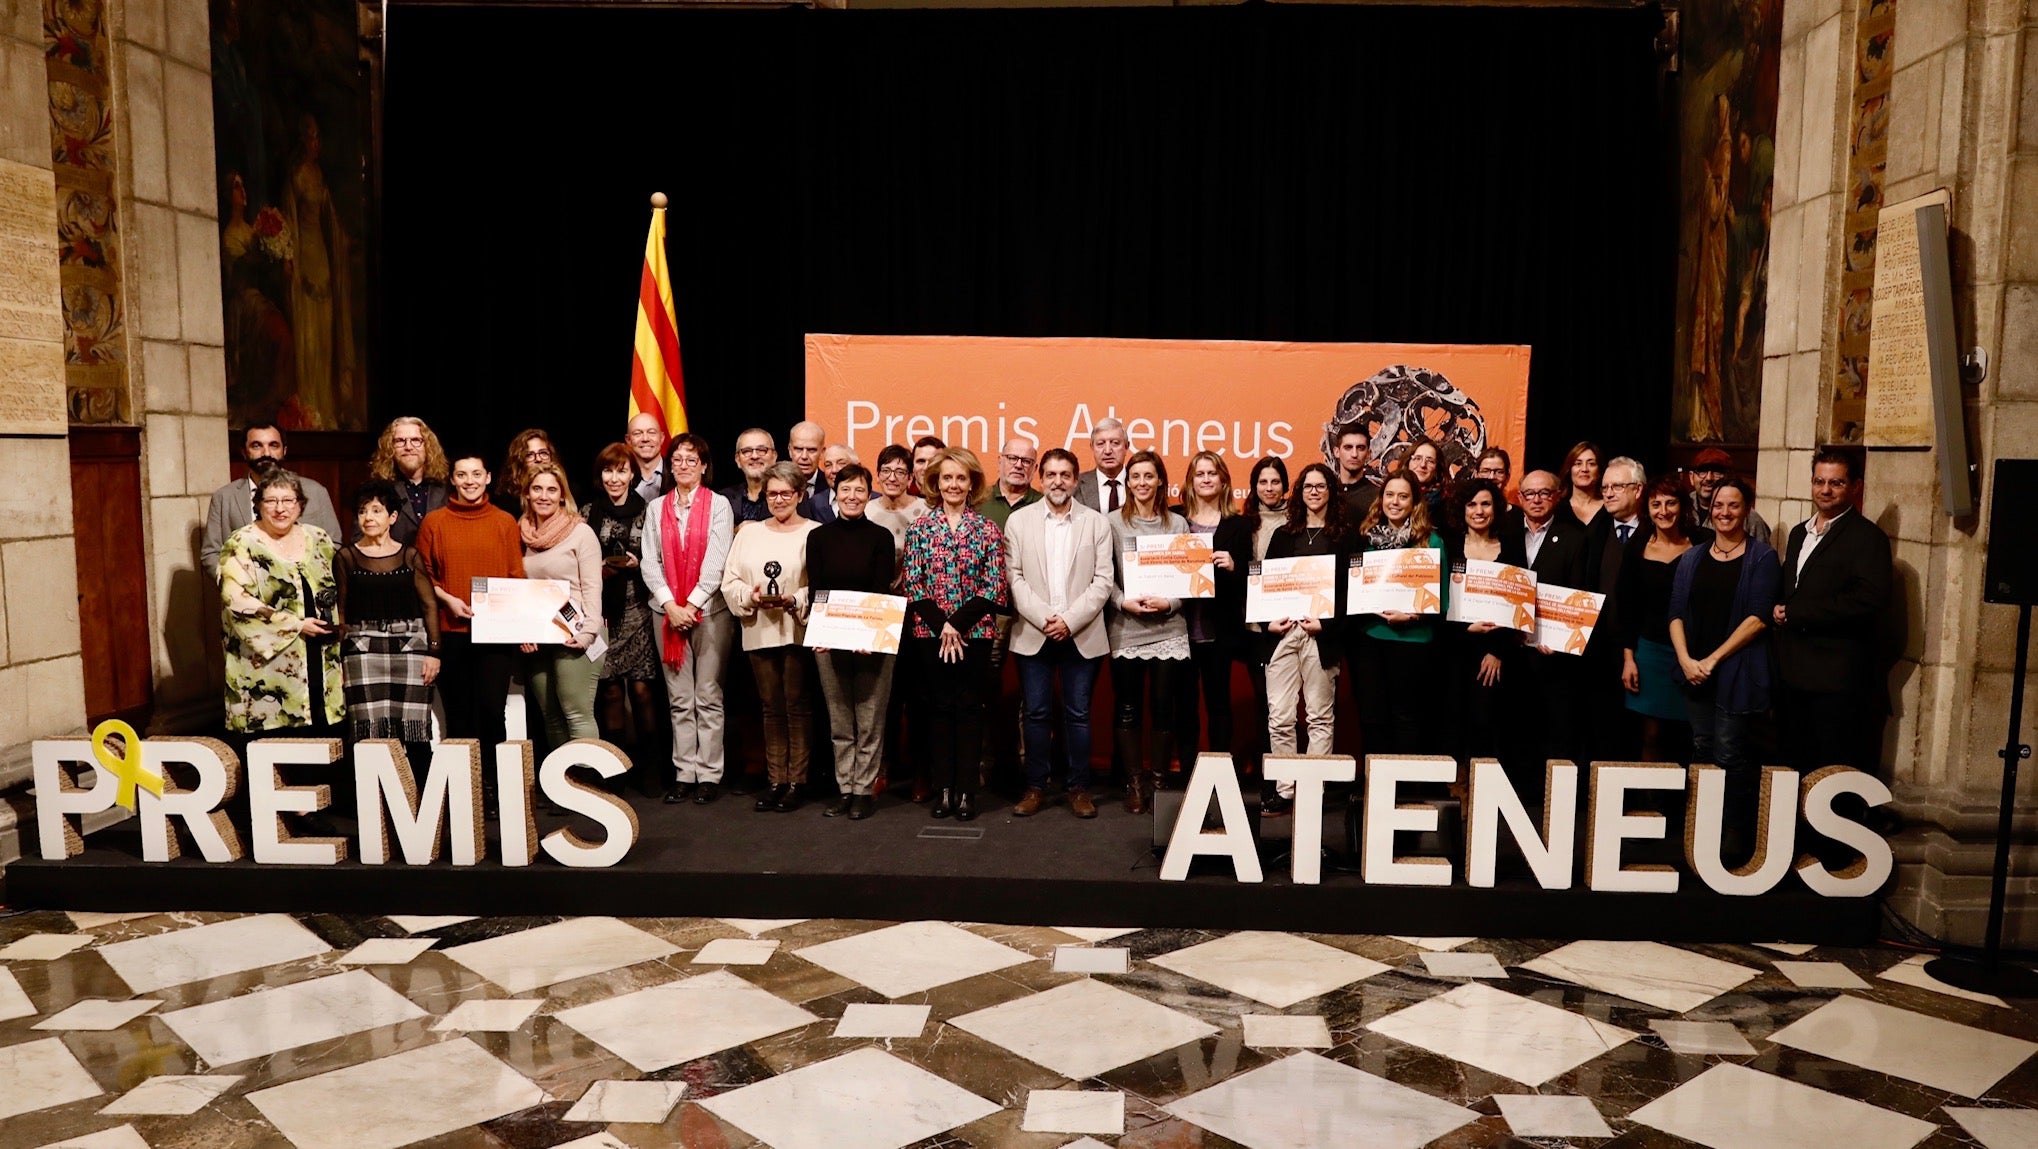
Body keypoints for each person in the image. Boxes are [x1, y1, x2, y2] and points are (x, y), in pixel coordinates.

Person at [1006, 448, 1116, 818]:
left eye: (1065, 475)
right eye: (1050, 474)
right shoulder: (1018, 522)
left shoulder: (1096, 523)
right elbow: (1014, 578)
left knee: (1078, 715)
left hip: (1081, 634)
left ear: (1075, 480)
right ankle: (1036, 787)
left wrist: (1069, 620)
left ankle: (1079, 788)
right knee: (1036, 714)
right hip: (1033, 633)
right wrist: (1044, 618)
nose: (1057, 481)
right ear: (1041, 479)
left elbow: (1103, 581)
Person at [901, 447, 1008, 820]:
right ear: (935, 482)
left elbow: (993, 586)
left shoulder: (987, 530)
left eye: (961, 477)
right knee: (939, 709)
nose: (953, 484)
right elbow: (914, 585)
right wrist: (941, 625)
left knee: (969, 709)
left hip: (974, 635)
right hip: (929, 634)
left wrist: (955, 624)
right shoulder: (920, 529)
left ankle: (967, 793)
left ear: (972, 483)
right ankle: (943, 790)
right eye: (947, 477)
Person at [1773, 448, 1891, 776]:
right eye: (1819, 481)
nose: (1825, 490)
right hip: (1792, 674)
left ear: (1855, 487)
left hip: (1835, 680)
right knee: (1791, 762)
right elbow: (1791, 588)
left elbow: (1868, 600)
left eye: (1836, 483)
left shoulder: (1868, 538)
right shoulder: (1799, 533)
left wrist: (1797, 613)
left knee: (1829, 770)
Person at [1669, 477, 1779, 817]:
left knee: (1730, 752)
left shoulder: (1763, 558)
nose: (1724, 512)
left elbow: (1759, 618)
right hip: (1694, 670)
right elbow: (1675, 613)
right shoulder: (1692, 558)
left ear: (1747, 509)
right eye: (1718, 505)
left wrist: (1713, 660)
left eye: (1733, 505)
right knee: (1702, 747)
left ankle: (1734, 829)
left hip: (1735, 670)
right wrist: (1687, 660)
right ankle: (1700, 826)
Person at [641, 432, 735, 804]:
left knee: (708, 696)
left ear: (704, 466)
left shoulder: (719, 506)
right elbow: (650, 561)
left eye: (691, 460)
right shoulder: (655, 508)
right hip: (666, 613)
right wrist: (670, 605)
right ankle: (685, 773)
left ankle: (709, 775)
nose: (683, 466)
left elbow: (716, 562)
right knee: (680, 699)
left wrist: (691, 605)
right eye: (677, 460)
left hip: (709, 611)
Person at [723, 462, 821, 813]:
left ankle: (798, 781)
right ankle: (776, 779)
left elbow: (822, 586)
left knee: (796, 706)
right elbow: (730, 581)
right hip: (759, 628)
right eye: (772, 494)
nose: (778, 500)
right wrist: (747, 597)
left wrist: (796, 599)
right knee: (770, 708)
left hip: (797, 628)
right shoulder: (748, 533)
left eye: (785, 493)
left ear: (799, 495)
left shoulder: (815, 533)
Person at [416, 453, 524, 756]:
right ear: (452, 480)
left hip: (495, 636)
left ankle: (493, 787)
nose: (470, 481)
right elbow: (423, 577)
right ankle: (465, 792)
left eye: (476, 474)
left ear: (488, 478)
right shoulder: (434, 523)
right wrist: (447, 599)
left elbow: (515, 576)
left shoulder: (504, 522)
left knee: (492, 713)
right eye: (462, 475)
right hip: (452, 632)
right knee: (459, 717)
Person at [219, 470, 343, 734]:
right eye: (271, 501)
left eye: (288, 501)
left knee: (324, 742)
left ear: (300, 505)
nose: (280, 509)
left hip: (320, 655)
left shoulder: (319, 538)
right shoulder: (242, 542)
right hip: (267, 666)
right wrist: (296, 625)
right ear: (258, 505)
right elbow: (235, 600)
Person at [806, 464, 896, 820]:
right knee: (840, 718)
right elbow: (817, 591)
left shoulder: (881, 536)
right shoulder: (819, 537)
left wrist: (868, 635)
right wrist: (822, 632)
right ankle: (845, 788)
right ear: (835, 493)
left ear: (868, 493)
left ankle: (864, 790)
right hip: (830, 639)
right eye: (846, 490)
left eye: (860, 490)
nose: (852, 497)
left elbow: (880, 588)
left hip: (872, 638)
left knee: (870, 717)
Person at [1263, 464, 1351, 811]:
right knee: (1281, 716)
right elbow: (1266, 584)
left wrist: (1326, 626)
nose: (1314, 492)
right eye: (1307, 487)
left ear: (1331, 490)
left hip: (1321, 636)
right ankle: (1286, 790)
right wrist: (1268, 621)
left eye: (1321, 486)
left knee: (1318, 716)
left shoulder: (1345, 537)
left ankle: (1312, 789)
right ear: (1299, 493)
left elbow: (1351, 592)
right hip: (1284, 633)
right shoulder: (1283, 535)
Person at [1106, 450, 1190, 814]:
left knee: (1163, 708)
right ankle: (1134, 782)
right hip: (1126, 629)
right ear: (1128, 483)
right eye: (1135, 476)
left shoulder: (1179, 525)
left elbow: (1189, 582)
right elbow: (1102, 577)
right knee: (1127, 709)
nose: (1142, 483)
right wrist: (1123, 602)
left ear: (1160, 481)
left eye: (1148, 476)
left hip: (1169, 628)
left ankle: (1158, 781)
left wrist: (1169, 603)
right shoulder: (1111, 523)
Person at [334, 480, 440, 751]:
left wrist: (434, 652)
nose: (368, 517)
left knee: (414, 732)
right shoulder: (346, 557)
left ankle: (421, 792)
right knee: (368, 733)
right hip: (362, 648)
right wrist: (339, 659)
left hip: (409, 645)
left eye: (376, 510)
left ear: (392, 517)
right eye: (362, 511)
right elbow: (342, 610)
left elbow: (429, 604)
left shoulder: (409, 556)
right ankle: (374, 793)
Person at [1353, 471, 1449, 757]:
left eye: (1403, 496)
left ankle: (1405, 790)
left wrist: (1410, 617)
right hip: (1371, 637)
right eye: (1389, 495)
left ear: (1415, 502)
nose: (1394, 502)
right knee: (1372, 718)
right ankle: (1375, 788)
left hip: (1413, 641)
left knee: (1406, 717)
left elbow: (1440, 599)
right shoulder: (1365, 538)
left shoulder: (1431, 543)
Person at [1443, 478, 1526, 797]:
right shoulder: (1449, 546)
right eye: (1472, 504)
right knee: (1455, 719)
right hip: (1455, 647)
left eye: (1486, 504)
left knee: (1486, 720)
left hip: (1495, 653)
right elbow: (1437, 601)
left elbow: (1519, 605)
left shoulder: (1512, 548)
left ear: (1496, 508)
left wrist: (1497, 651)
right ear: (1462, 509)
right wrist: (1465, 630)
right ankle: (1458, 788)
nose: (1479, 511)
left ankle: (1484, 793)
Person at [587, 443, 661, 791]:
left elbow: (660, 557)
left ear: (633, 475)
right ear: (600, 476)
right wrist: (597, 569)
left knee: (643, 691)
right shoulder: (588, 512)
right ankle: (614, 770)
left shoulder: (649, 511)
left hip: (640, 607)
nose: (614, 478)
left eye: (621, 471)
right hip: (601, 611)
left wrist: (638, 563)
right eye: (608, 471)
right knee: (611, 693)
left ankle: (650, 769)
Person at [517, 464, 603, 759]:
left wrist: (589, 632)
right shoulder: (520, 533)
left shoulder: (580, 533)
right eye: (537, 489)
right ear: (527, 494)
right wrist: (521, 632)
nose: (544, 496)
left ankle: (589, 790)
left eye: (552, 490)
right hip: (537, 634)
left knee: (575, 712)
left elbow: (593, 586)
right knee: (550, 716)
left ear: (562, 495)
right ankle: (566, 784)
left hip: (575, 631)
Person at [1620, 475, 1703, 762]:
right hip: (1648, 652)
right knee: (1650, 735)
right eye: (1656, 504)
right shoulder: (1636, 546)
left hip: (1692, 655)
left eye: (1671, 503)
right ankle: (1649, 803)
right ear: (1648, 509)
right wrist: (1629, 658)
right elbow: (1627, 606)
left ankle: (1681, 804)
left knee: (1688, 734)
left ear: (1682, 507)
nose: (1664, 511)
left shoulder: (1702, 543)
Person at [1516, 468, 1593, 768]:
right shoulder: (1507, 533)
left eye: (1545, 493)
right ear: (1520, 498)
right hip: (1513, 650)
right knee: (1519, 729)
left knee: (1558, 728)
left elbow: (1577, 594)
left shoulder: (1575, 539)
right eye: (1530, 494)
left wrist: (1556, 638)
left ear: (1557, 496)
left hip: (1554, 655)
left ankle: (1553, 801)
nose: (1537, 500)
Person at [202, 424, 343, 580]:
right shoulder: (224, 497)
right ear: (244, 452)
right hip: (246, 596)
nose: (266, 453)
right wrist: (237, 582)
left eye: (273, 445)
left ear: (284, 450)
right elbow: (211, 553)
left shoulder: (315, 491)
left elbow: (334, 544)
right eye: (257, 446)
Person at [1174, 451, 1242, 777]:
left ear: (1223, 480)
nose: (1205, 479)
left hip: (1219, 631)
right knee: (1184, 708)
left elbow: (1248, 583)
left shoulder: (1238, 525)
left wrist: (1233, 568)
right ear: (1190, 481)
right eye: (1199, 474)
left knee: (1219, 706)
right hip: (1178, 630)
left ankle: (1219, 775)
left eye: (1212, 473)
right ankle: (1188, 773)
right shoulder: (1175, 519)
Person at [1585, 456, 1649, 760]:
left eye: (1617, 487)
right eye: (1605, 487)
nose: (1608, 493)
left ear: (1638, 490)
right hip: (1600, 650)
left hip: (1645, 647)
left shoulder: (1656, 531)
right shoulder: (1595, 532)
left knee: (1639, 733)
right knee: (1602, 728)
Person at [367, 416, 450, 546]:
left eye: (416, 440)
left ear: (428, 446)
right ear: (390, 448)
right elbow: (360, 542)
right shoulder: (375, 490)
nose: (408, 447)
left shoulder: (447, 488)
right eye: (400, 441)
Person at [1686, 446, 1772, 545]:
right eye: (1702, 471)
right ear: (1691, 477)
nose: (1709, 478)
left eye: (1717, 471)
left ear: (1730, 477)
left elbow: (1762, 555)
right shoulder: (1681, 508)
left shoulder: (1749, 518)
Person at [867, 444, 930, 551]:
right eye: (886, 471)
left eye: (900, 472)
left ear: (910, 478)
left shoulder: (926, 511)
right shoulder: (867, 510)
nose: (892, 478)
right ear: (877, 475)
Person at [723, 427, 778, 527]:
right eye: (747, 451)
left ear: (774, 457)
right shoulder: (724, 498)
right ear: (738, 460)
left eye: (762, 450)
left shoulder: (790, 496)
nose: (754, 456)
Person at [1075, 418, 1131, 514]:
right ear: (1092, 447)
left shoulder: (1140, 484)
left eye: (1115, 443)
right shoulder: (1075, 485)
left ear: (1126, 447)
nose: (1108, 451)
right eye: (1101, 444)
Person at [1332, 426, 1378, 523]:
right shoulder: (1325, 493)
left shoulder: (1378, 498)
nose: (1354, 454)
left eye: (1360, 448)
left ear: (1368, 454)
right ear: (1336, 452)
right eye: (1348, 447)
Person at [626, 412, 671, 503]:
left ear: (662, 438)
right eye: (637, 433)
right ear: (628, 440)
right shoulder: (618, 476)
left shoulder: (677, 472)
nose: (645, 439)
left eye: (651, 433)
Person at [1562, 441, 1607, 532]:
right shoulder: (1558, 509)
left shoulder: (1610, 508)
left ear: (1599, 471)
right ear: (1569, 469)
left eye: (1591, 464)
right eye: (1578, 464)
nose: (1584, 469)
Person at [788, 420, 827, 503]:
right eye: (798, 449)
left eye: (811, 450)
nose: (804, 456)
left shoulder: (831, 486)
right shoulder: (775, 486)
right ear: (790, 451)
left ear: (822, 453)